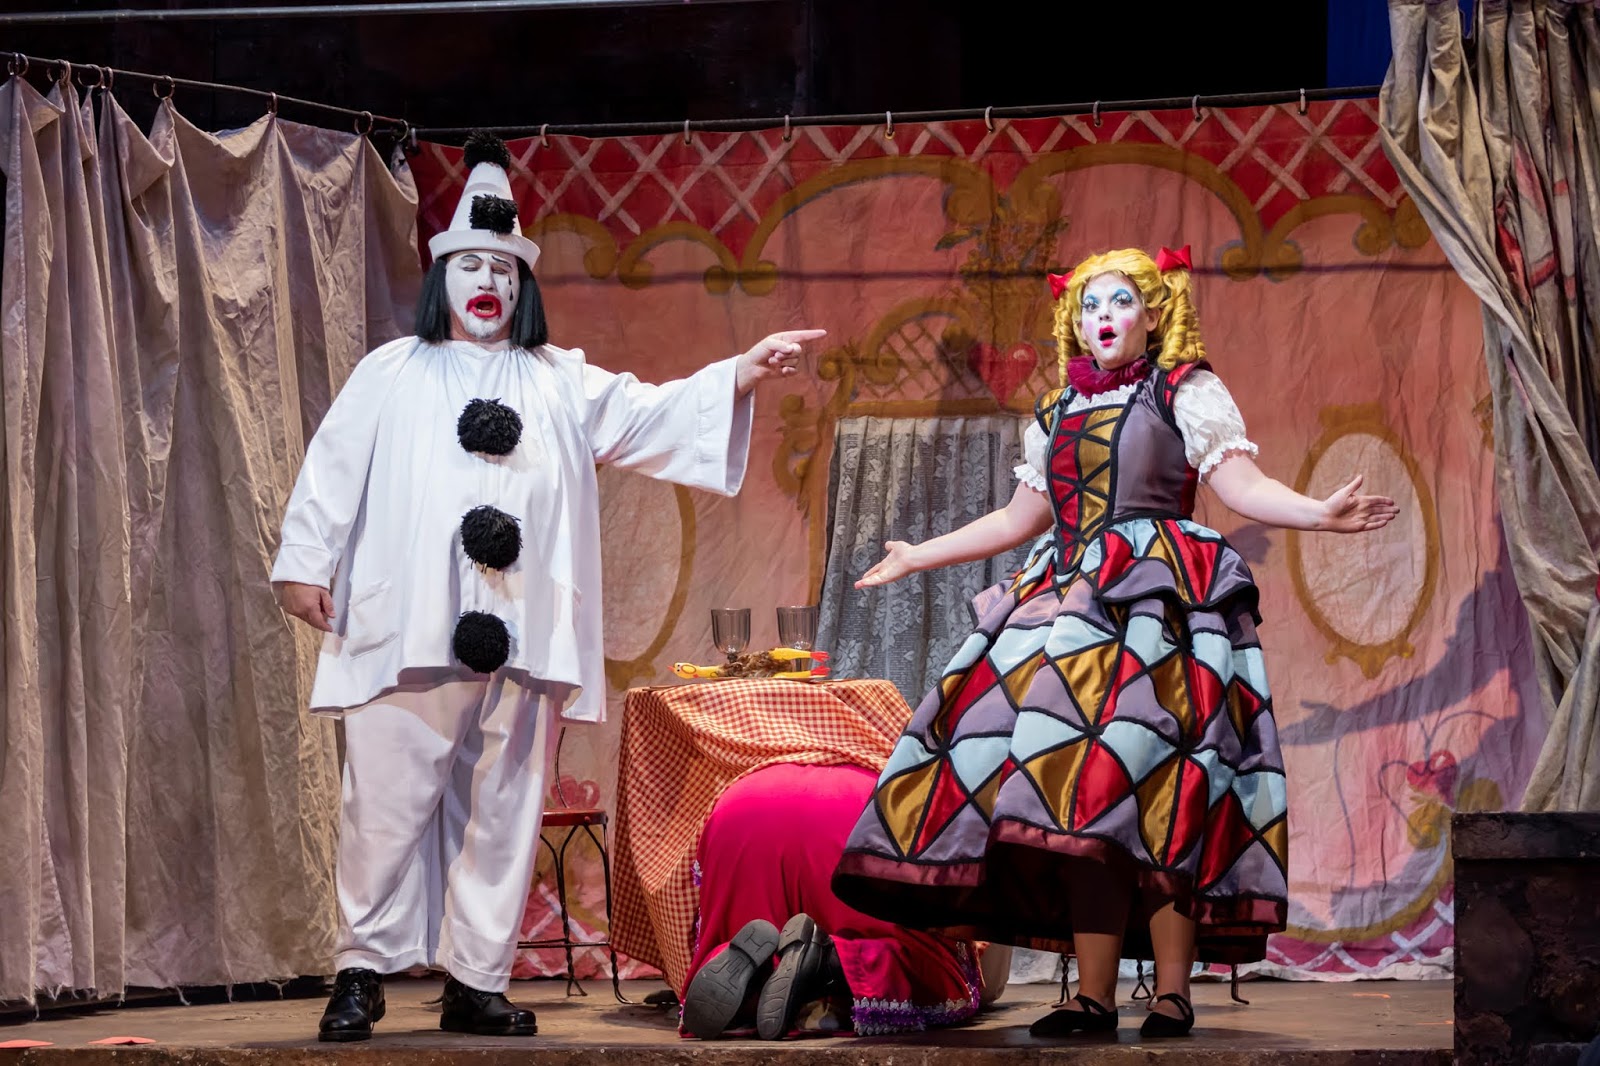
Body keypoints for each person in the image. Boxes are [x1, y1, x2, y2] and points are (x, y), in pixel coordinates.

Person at [270, 131, 825, 1042]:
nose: (486, 280)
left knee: (503, 808)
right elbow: (332, 468)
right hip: (410, 623)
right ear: (442, 278)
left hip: (525, 632)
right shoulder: (391, 372)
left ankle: (475, 979)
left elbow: (653, 411)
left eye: (503, 266)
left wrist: (740, 372)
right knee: (386, 804)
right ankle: (361, 971)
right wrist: (303, 561)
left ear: (522, 285)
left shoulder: (561, 381)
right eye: (469, 264)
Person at [831, 245, 1398, 1039]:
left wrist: (1316, 512)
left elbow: (1239, 487)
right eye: (1091, 305)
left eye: (1121, 302)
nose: (1104, 318)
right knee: (1079, 799)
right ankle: (1092, 996)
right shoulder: (1058, 409)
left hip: (1158, 607)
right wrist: (916, 554)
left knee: (1159, 787)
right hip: (1067, 611)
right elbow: (1017, 521)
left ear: (1154, 313)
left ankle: (1171, 993)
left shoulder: (1185, 392)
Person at [681, 762, 1008, 1041]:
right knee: (941, 977)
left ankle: (754, 973)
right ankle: (828, 960)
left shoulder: (743, 758)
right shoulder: (895, 765)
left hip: (743, 809)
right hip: (861, 810)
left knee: (735, 927)